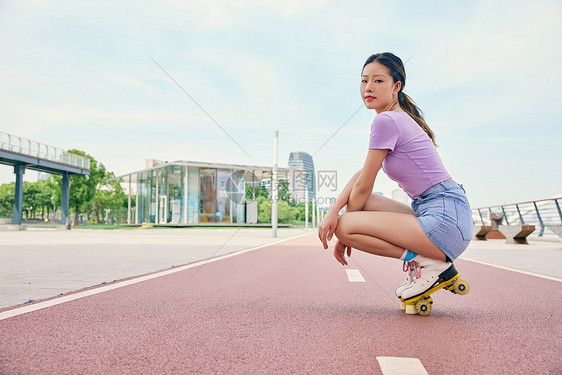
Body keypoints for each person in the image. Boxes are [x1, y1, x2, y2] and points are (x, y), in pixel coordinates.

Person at [317, 52, 473, 311]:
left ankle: (426, 262)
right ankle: (430, 261)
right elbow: (362, 175)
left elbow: (364, 185)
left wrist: (344, 236)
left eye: (378, 81)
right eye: (364, 80)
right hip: (444, 212)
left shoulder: (386, 120)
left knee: (345, 226)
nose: (368, 87)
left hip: (445, 220)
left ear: (396, 86)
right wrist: (334, 209)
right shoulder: (396, 119)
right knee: (353, 211)